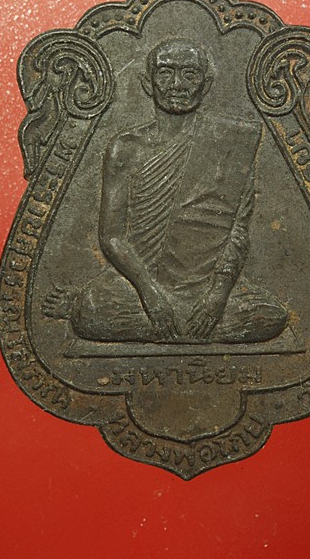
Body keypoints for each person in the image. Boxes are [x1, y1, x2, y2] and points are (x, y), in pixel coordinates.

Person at [44, 39, 288, 343]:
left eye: (189, 74)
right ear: (148, 83)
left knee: (271, 317)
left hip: (205, 283)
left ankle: (176, 326)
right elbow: (112, 236)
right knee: (91, 313)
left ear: (205, 84)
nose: (177, 85)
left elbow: (238, 230)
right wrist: (150, 294)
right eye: (165, 73)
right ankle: (188, 328)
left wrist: (218, 295)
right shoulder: (125, 148)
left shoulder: (232, 141)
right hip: (141, 284)